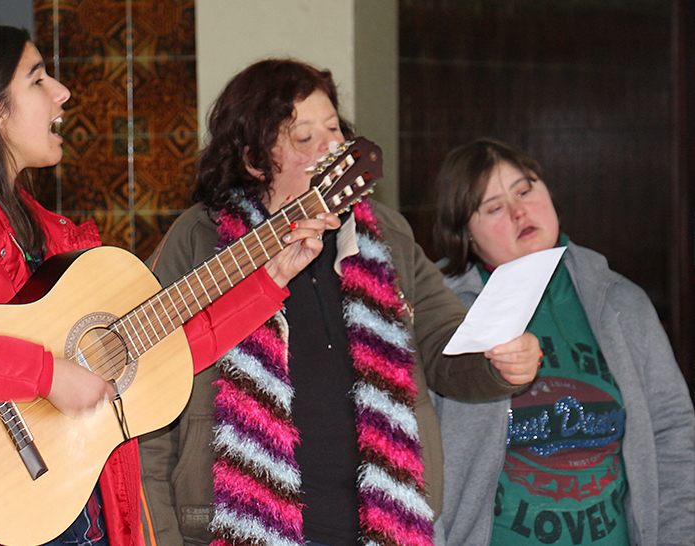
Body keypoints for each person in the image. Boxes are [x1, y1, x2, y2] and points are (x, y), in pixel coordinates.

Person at [0, 27, 336, 546]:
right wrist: (45, 374)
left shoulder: (47, 234)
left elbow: (160, 350)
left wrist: (270, 280)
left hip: (71, 507)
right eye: (37, 79)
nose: (62, 92)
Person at [137, 59, 542, 546]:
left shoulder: (386, 233)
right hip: (238, 527)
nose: (331, 147)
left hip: (383, 526)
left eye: (334, 129)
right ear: (253, 160)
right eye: (304, 138)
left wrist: (501, 363)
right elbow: (150, 402)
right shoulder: (200, 240)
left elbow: (448, 346)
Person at [431, 138, 695, 546]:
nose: (520, 211)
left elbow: (673, 430)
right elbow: (407, 455)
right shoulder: (437, 314)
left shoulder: (620, 300)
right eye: (495, 207)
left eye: (525, 190)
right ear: (467, 234)